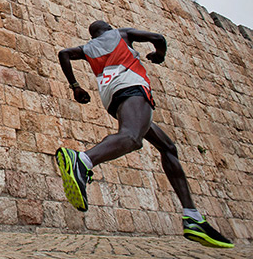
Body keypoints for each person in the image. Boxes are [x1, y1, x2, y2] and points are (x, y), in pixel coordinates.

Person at [56, 20, 234, 248]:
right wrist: (159, 55)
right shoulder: (121, 33)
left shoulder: (87, 48)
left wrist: (75, 86)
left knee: (167, 147)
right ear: (109, 28)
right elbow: (159, 38)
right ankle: (82, 161)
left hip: (113, 98)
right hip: (133, 89)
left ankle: (192, 216)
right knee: (131, 137)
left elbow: (63, 54)